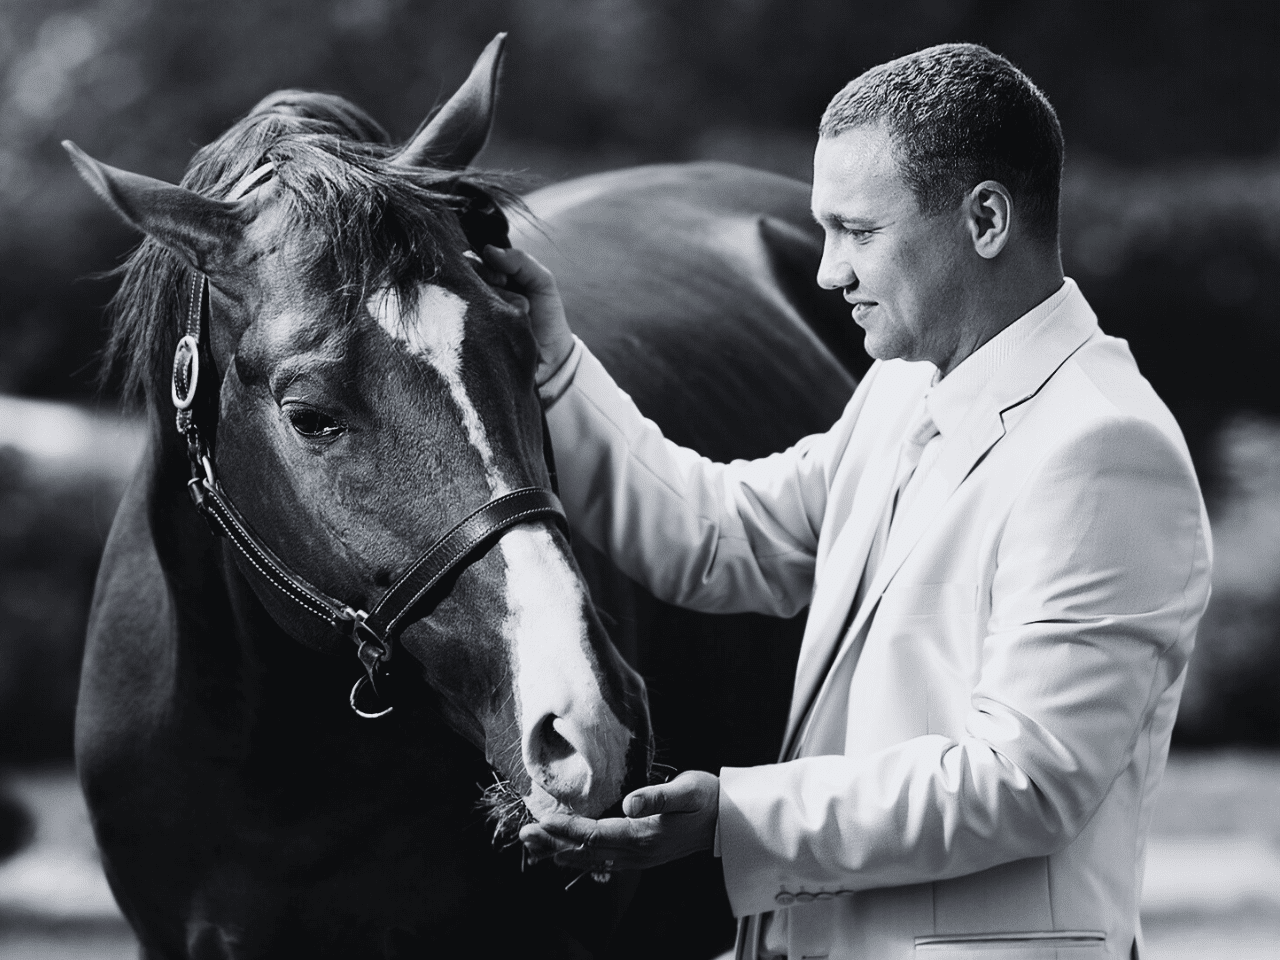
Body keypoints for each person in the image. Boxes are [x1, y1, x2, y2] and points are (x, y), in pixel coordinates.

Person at [488, 43, 1211, 960]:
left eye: (859, 232)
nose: (830, 272)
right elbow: (719, 537)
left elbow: (1024, 781)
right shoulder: (903, 391)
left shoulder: (1105, 448)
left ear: (985, 218)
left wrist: (733, 816)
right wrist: (553, 365)